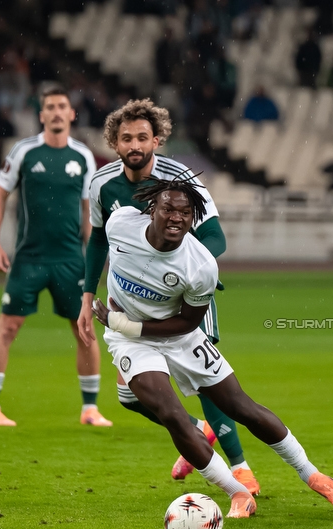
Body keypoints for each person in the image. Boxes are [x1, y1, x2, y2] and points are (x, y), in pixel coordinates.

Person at [87, 176, 333, 517]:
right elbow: (96, 243)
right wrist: (100, 307)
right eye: (168, 208)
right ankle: (238, 492)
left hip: (176, 335)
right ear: (152, 209)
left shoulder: (200, 266)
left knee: (241, 406)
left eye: (185, 212)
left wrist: (123, 322)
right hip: (130, 342)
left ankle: (312, 474)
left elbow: (186, 323)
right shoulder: (121, 223)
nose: (175, 218)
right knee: (171, 414)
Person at [79, 98, 261, 495]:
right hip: (132, 302)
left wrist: (187, 268)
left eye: (142, 136)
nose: (134, 144)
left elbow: (215, 237)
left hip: (184, 296)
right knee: (129, 396)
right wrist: (87, 293)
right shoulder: (100, 183)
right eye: (126, 137)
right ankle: (198, 431)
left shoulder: (182, 179)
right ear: (114, 143)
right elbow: (97, 243)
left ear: (157, 139)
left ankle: (241, 467)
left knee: (206, 380)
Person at [0, 85, 109, 428]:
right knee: (7, 326)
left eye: (61, 106)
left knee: (84, 330)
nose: (55, 112)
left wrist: (93, 256)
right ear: (41, 115)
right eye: (49, 107)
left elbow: (88, 211)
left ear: (71, 114)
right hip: (29, 258)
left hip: (70, 259)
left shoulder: (82, 156)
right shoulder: (24, 151)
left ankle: (90, 409)